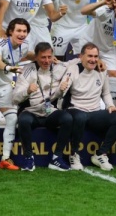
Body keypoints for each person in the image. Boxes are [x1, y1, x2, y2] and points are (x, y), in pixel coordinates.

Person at [0, 18, 33, 171]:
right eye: (19, 31)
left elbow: (28, 55)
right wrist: (10, 68)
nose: (22, 34)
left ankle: (5, 158)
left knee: (12, 119)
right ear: (10, 32)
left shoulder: (24, 45)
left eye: (24, 31)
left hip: (5, 87)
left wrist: (43, 56)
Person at [13, 42, 73, 171]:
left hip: (50, 112)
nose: (46, 61)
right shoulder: (27, 71)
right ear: (36, 57)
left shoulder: (59, 68)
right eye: (43, 57)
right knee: (23, 120)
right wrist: (27, 91)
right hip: (31, 112)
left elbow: (77, 62)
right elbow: (15, 98)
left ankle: (56, 158)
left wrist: (61, 90)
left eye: (49, 57)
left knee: (67, 118)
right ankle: (29, 158)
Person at [65, 43, 116, 171]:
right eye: (90, 56)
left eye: (96, 56)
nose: (93, 59)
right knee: (80, 117)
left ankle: (101, 154)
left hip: (94, 112)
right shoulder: (73, 69)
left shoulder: (101, 71)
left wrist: (110, 105)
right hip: (75, 109)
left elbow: (106, 93)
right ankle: (74, 154)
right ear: (81, 57)